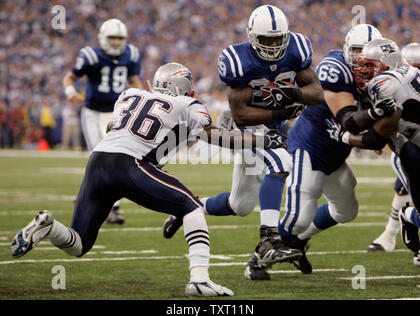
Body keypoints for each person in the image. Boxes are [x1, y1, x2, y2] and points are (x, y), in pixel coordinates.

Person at [10, 62, 287, 296]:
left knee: (79, 244)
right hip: (129, 164)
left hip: (98, 161)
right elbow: (212, 135)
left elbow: (113, 127)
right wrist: (262, 140)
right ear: (186, 88)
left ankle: (48, 228)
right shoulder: (188, 103)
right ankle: (199, 279)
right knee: (191, 206)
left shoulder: (130, 94)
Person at [163, 4, 324, 280]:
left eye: (278, 39)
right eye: (266, 40)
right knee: (281, 161)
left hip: (273, 126)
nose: (273, 46)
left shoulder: (297, 49)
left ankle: (187, 206)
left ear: (287, 36)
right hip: (246, 131)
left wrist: (293, 94)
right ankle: (268, 239)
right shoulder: (239, 62)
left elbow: (317, 93)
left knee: (240, 205)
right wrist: (280, 110)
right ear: (252, 36)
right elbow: (241, 114)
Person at [240, 24, 383, 280]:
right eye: (357, 51)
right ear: (347, 50)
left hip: (335, 154)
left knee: (346, 211)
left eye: (368, 53)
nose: (362, 59)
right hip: (310, 146)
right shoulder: (335, 69)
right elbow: (348, 119)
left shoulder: (382, 76)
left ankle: (297, 241)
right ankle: (258, 257)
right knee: (299, 216)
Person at [327, 38, 420, 267]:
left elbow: (374, 139)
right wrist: (372, 114)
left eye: (369, 65)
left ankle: (408, 216)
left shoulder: (385, 83)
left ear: (387, 63)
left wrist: (344, 137)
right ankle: (408, 218)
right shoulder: (401, 73)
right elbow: (376, 134)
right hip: (413, 148)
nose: (361, 71)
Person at [62, 18, 142, 225]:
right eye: (112, 38)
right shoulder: (90, 55)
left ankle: (104, 204)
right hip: (93, 112)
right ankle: (104, 205)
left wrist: (144, 97)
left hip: (116, 113)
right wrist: (70, 92)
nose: (116, 42)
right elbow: (69, 77)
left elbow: (133, 80)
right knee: (98, 157)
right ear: (103, 39)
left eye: (119, 38)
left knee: (116, 158)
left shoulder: (131, 54)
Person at [366, 42, 420, 252]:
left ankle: (406, 219)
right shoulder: (389, 85)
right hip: (410, 147)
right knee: (404, 186)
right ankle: (393, 231)